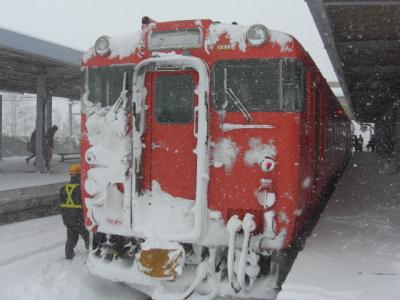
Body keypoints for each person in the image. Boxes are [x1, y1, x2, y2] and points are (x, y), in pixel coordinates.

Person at [59, 164, 89, 260]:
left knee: (71, 238)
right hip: (79, 218)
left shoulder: (64, 188)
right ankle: (92, 254)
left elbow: (61, 205)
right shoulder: (82, 189)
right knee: (88, 238)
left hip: (68, 219)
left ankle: (69, 254)